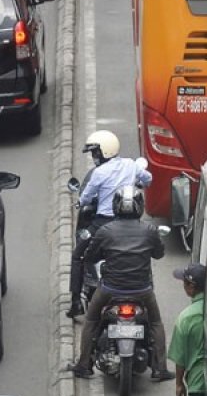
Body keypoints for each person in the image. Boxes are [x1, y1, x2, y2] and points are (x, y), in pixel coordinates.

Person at [67, 185, 175, 382]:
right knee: (156, 323)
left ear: (116, 207)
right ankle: (160, 368)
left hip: (109, 289)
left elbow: (90, 257)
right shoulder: (149, 230)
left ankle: (84, 365)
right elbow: (159, 254)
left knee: (91, 320)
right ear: (140, 207)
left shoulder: (104, 230)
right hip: (142, 290)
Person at [66, 130, 153, 318]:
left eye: (95, 152)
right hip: (129, 221)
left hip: (102, 224)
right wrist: (140, 183)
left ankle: (75, 303)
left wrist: (80, 202)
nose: (93, 156)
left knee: (78, 256)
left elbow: (87, 195)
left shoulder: (98, 173)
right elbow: (147, 179)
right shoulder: (131, 165)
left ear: (105, 151)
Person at [168, 263, 207, 396]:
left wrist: (179, 384)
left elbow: (180, 359)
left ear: (191, 286)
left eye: (184, 282)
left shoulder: (185, 318)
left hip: (197, 385)